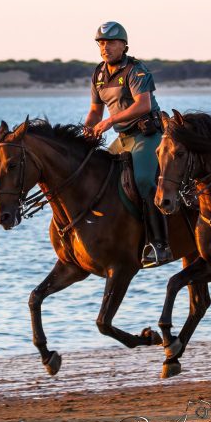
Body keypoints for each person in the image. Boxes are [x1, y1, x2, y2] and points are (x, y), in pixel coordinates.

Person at [84, 21, 172, 267]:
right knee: (96, 172)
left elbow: (142, 105)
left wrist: (110, 121)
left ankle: (160, 244)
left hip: (147, 136)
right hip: (122, 140)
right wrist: (87, 130)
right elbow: (94, 111)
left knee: (144, 180)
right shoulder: (98, 74)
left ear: (123, 45)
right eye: (101, 43)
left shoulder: (136, 69)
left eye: (111, 42)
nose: (105, 47)